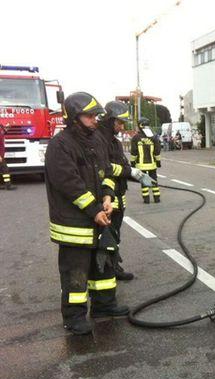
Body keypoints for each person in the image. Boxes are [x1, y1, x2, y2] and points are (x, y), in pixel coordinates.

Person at [45, 92, 130, 335]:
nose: (95, 120)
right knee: (76, 273)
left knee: (103, 265)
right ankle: (74, 317)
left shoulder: (96, 141)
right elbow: (70, 184)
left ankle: (104, 306)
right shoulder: (60, 145)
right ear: (73, 117)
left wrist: (107, 196)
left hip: (97, 219)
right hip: (73, 225)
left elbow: (106, 173)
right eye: (89, 115)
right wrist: (94, 210)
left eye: (96, 115)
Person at [98, 101, 155, 281]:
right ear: (109, 120)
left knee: (115, 234)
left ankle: (113, 266)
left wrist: (135, 175)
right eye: (119, 122)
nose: (122, 127)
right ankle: (107, 272)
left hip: (118, 194)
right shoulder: (99, 139)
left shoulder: (113, 141)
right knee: (107, 236)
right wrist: (130, 171)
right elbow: (105, 167)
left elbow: (121, 165)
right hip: (107, 197)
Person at [131, 117, 162, 203]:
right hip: (152, 164)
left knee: (144, 181)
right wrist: (158, 161)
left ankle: (146, 199)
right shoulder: (153, 137)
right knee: (154, 180)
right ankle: (157, 198)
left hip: (141, 165)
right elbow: (157, 151)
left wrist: (132, 163)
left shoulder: (136, 138)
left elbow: (134, 152)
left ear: (140, 126)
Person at [0, 123, 15, 190]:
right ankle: (8, 185)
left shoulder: (1, 131)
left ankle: (6, 185)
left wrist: (7, 128)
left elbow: (4, 133)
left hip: (1, 154)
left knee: (3, 170)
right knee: (5, 169)